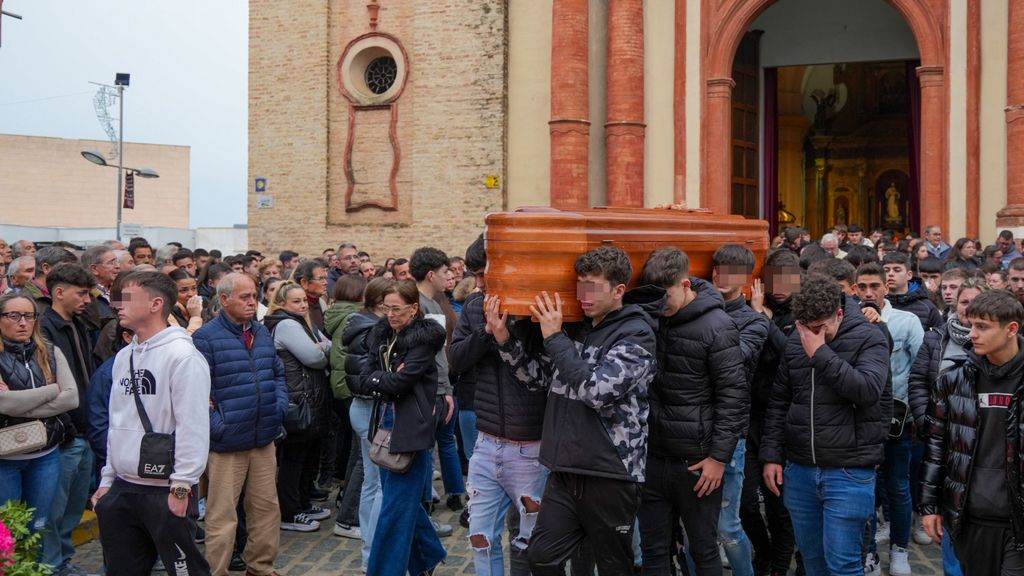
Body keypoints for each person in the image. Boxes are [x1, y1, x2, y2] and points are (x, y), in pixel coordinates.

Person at [493, 246, 656, 574]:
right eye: (580, 285)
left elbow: (597, 391)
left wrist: (554, 338)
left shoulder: (638, 334)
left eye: (593, 287)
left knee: (614, 566)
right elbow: (538, 379)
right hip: (566, 468)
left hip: (610, 472)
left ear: (619, 290)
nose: (584, 295)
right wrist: (504, 339)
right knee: (541, 555)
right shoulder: (577, 327)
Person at [625, 246, 746, 576]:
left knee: (703, 549)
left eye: (666, 296)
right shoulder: (648, 317)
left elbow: (734, 397)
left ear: (686, 284)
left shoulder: (718, 326)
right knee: (652, 550)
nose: (661, 305)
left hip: (697, 462)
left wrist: (719, 458)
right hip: (651, 457)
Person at [760, 275, 890, 576]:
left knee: (843, 565)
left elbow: (867, 390)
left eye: (820, 328)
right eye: (806, 327)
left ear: (839, 315)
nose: (811, 335)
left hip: (849, 469)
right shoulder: (797, 338)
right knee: (812, 562)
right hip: (801, 468)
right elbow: (780, 401)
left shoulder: (871, 337)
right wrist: (771, 455)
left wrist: (820, 353)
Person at [91, 271, 211, 575]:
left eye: (127, 298)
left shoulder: (184, 356)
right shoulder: (123, 357)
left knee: (185, 571)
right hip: (123, 488)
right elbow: (118, 423)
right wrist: (107, 481)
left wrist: (182, 486)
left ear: (156, 304)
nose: (117, 304)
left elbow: (193, 427)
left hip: (166, 490)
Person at [451, 235, 548, 576]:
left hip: (531, 447)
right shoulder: (476, 306)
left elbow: (538, 381)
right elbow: (456, 360)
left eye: (482, 274)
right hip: (487, 440)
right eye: (473, 275)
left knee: (529, 540)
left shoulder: (536, 309)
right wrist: (487, 332)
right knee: (480, 537)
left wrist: (506, 336)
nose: (476, 284)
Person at [920, 290, 1024, 575]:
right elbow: (937, 448)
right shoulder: (953, 381)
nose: (972, 334)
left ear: (1011, 328)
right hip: (971, 517)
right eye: (971, 325)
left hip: (1017, 522)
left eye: (983, 326)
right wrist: (930, 507)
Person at [192, 273, 288, 576]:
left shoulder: (260, 332)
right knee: (222, 515)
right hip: (227, 444)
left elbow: (277, 374)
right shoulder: (205, 338)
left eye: (254, 295)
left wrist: (278, 407)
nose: (253, 302)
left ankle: (260, 567)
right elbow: (197, 393)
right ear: (224, 299)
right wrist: (218, 425)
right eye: (245, 297)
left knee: (265, 510)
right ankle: (215, 571)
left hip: (263, 437)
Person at [358, 280, 448, 576]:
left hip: (412, 426)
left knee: (395, 508)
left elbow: (401, 382)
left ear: (413, 309)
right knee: (404, 502)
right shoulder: (382, 334)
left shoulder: (422, 340)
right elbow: (364, 376)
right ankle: (427, 557)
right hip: (384, 423)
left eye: (397, 309)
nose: (391, 314)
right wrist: (384, 379)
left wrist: (382, 380)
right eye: (386, 308)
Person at [909, 278, 988, 576]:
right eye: (965, 301)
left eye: (976, 301)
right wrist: (926, 422)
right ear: (955, 303)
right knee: (951, 524)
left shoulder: (995, 344)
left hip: (984, 446)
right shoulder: (936, 338)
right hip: (945, 443)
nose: (969, 307)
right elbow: (917, 382)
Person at [854, 263, 924, 576]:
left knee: (897, 486)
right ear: (855, 288)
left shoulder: (907, 321)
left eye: (874, 286)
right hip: (859, 419)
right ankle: (868, 553)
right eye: (862, 287)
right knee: (864, 487)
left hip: (899, 418)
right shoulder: (847, 318)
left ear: (886, 287)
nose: (868, 293)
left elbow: (921, 369)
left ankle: (899, 550)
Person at [708, 244, 768, 576]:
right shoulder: (700, 311)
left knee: (727, 529)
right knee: (697, 531)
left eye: (729, 270)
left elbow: (732, 364)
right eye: (716, 268)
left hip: (731, 433)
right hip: (695, 430)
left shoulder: (752, 321)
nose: (720, 275)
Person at [38, 263, 99, 575]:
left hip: (84, 431)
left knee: (73, 507)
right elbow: (53, 386)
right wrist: (73, 429)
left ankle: (62, 561)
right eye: (81, 293)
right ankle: (50, 565)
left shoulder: (78, 324)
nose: (87, 300)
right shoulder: (43, 330)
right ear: (58, 293)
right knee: (54, 508)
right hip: (65, 434)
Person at [0, 293, 78, 532]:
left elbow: (72, 398)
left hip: (46, 454)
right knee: (10, 531)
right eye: (13, 316)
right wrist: (53, 389)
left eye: (29, 316)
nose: (22, 322)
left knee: (38, 526)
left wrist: (21, 402)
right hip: (5, 458)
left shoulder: (49, 351)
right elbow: (3, 404)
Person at [743, 249, 799, 576]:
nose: (779, 286)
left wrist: (764, 322)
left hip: (782, 419)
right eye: (773, 279)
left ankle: (778, 564)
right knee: (745, 502)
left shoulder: (799, 314)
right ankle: (762, 552)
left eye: (787, 280)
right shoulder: (756, 309)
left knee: (779, 505)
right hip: (750, 416)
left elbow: (793, 356)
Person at [263, 281, 333, 532]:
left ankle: (302, 503)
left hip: (309, 397)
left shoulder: (303, 322)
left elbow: (326, 345)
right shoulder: (287, 324)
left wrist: (322, 347)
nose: (303, 305)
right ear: (282, 304)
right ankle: (290, 512)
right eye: (296, 301)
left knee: (307, 455)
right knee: (295, 458)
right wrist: (323, 349)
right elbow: (315, 357)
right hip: (299, 399)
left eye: (304, 300)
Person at [333, 278, 391, 570]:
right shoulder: (373, 330)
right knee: (380, 483)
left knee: (371, 481)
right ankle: (375, 554)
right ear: (381, 302)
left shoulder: (358, 324)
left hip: (362, 406)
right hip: (372, 408)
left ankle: (371, 555)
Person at [409, 247, 463, 519]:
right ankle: (425, 503)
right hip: (428, 390)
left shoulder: (433, 303)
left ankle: (438, 497)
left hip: (434, 388)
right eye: (445, 272)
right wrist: (443, 389)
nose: (450, 277)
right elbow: (433, 354)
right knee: (428, 448)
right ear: (431, 275)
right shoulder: (423, 305)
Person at [325, 274, 369, 539]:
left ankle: (346, 500)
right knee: (361, 454)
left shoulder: (337, 314)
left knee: (356, 451)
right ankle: (349, 514)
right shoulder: (354, 317)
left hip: (342, 387)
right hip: (350, 388)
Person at [884, 252, 943, 332]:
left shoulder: (927, 307)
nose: (890, 274)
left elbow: (938, 338)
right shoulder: (876, 303)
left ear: (909, 275)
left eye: (897, 270)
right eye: (886, 270)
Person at [167, 269, 205, 335]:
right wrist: (195, 317)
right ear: (171, 291)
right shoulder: (166, 313)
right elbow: (184, 341)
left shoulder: (203, 305)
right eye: (183, 290)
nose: (191, 294)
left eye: (194, 288)